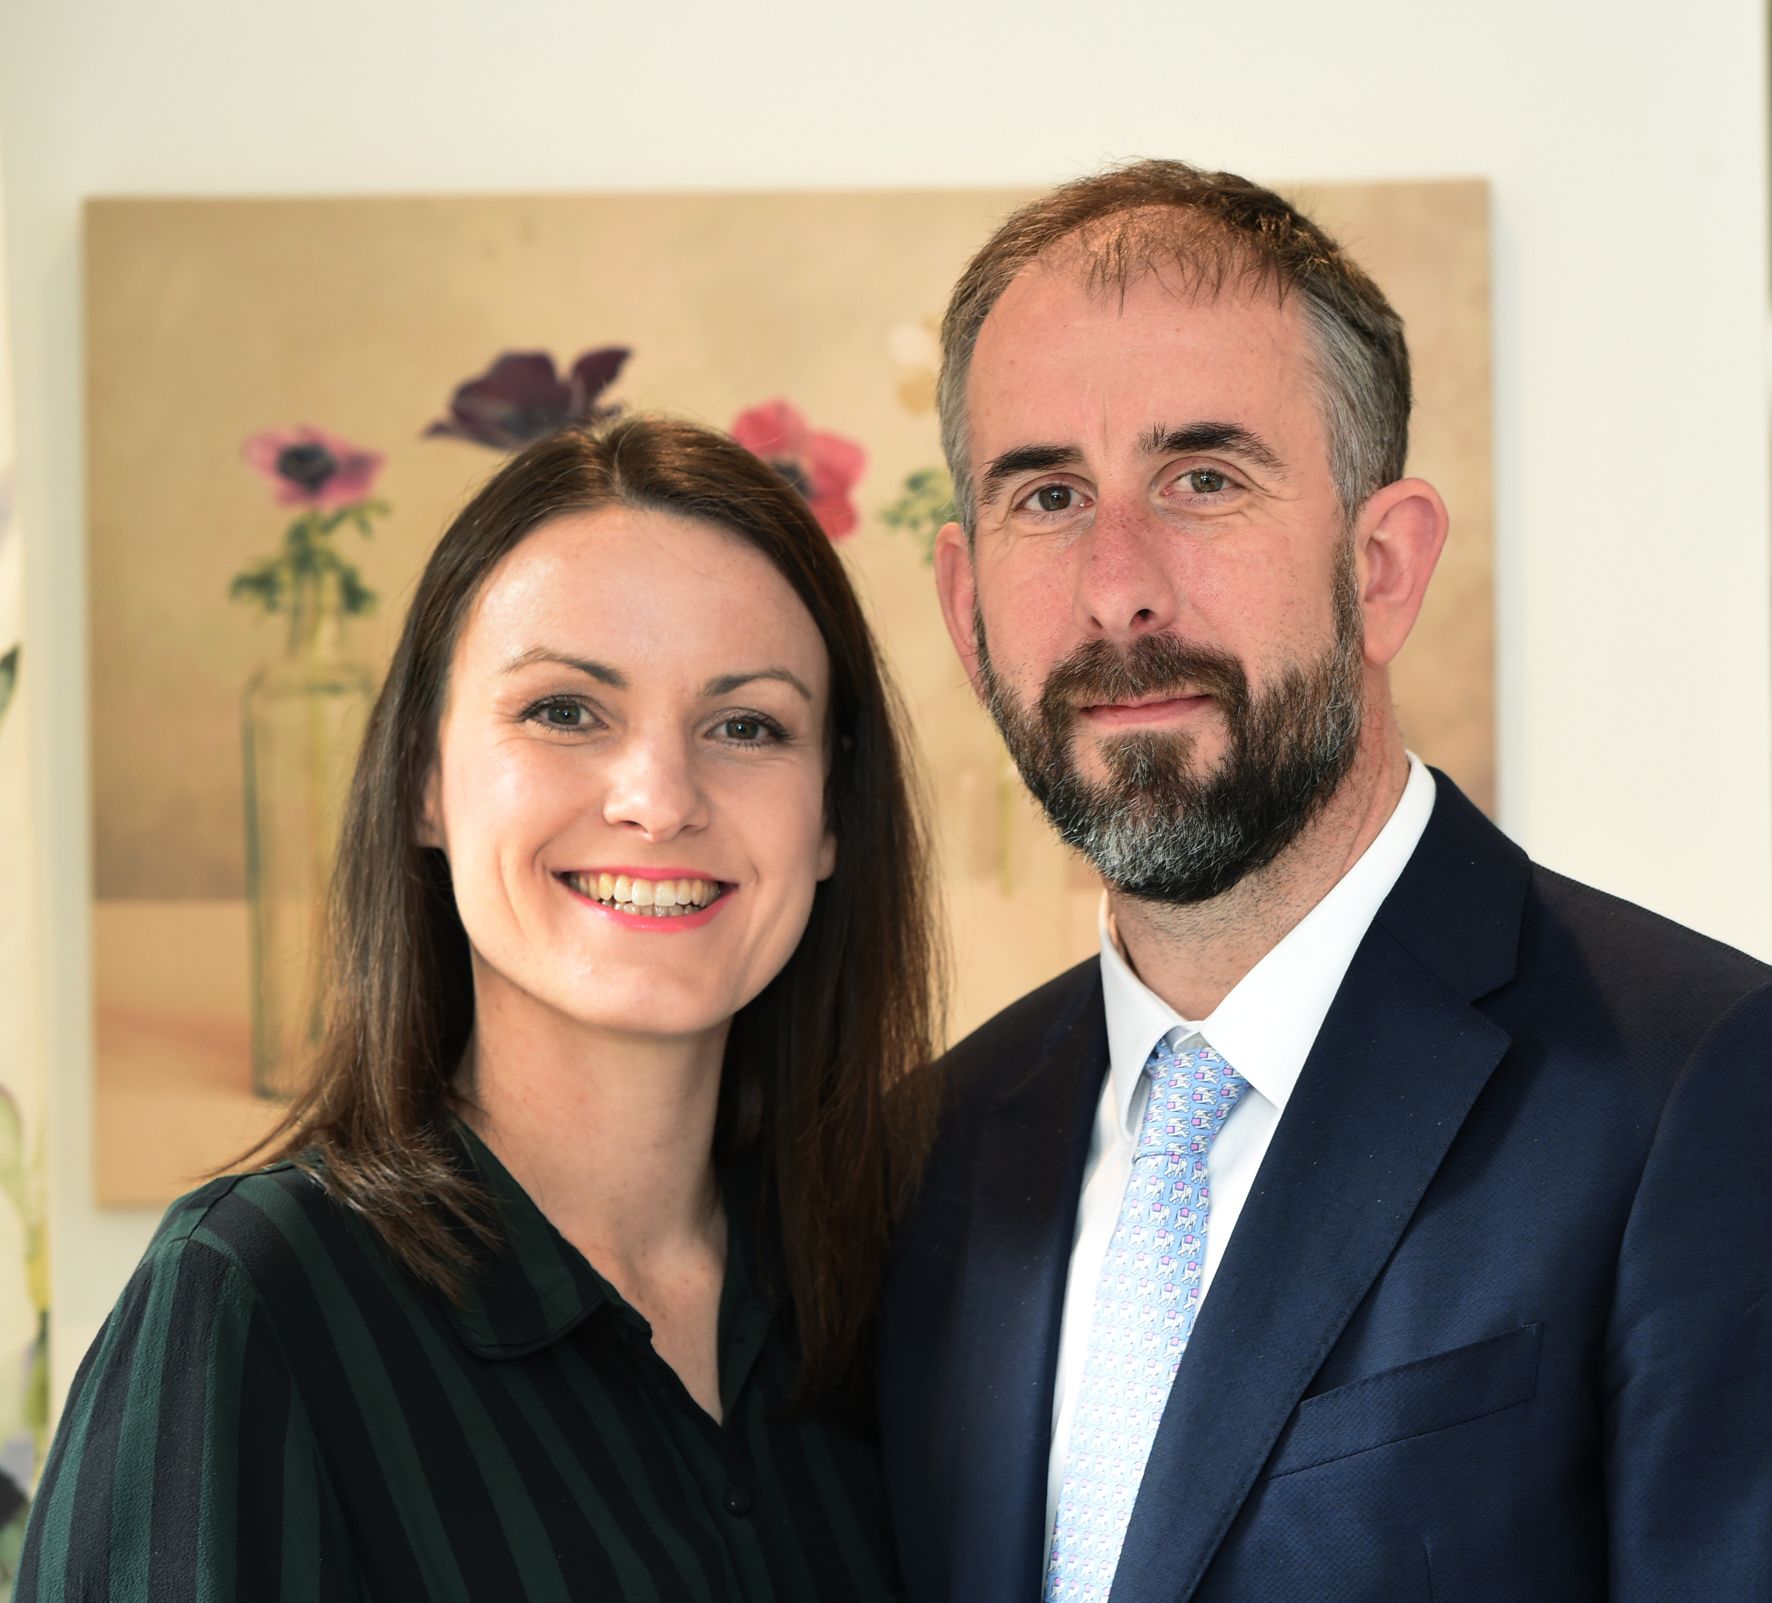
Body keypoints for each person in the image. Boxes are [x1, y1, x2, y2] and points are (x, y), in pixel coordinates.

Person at [878, 159, 1772, 1602]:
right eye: (1047, 494)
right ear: (966, 609)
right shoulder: (921, 1156)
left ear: (1384, 567)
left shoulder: (1702, 1086)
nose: (1117, 586)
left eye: (1203, 479)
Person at [21, 415, 943, 1601]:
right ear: (424, 779)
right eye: (565, 710)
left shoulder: (906, 1296)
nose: (659, 798)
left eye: (746, 725)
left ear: (829, 819)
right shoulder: (252, 1302)